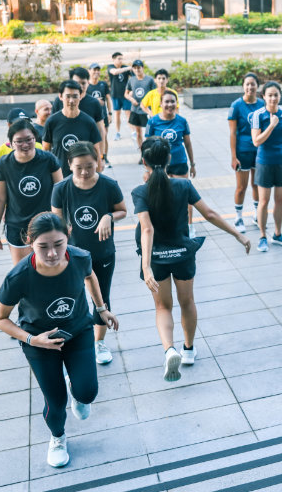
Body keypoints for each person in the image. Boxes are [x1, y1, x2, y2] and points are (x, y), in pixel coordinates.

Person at [0, 212, 119, 468]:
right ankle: (58, 438)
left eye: (58, 245)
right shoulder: (19, 276)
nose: (52, 253)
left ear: (68, 236)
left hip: (78, 331)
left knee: (87, 392)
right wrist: (32, 339)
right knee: (56, 402)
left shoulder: (80, 257)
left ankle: (76, 388)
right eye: (43, 247)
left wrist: (102, 308)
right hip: (40, 342)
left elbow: (90, 276)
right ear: (29, 241)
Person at [133, 137, 250, 381]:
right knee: (187, 302)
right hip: (183, 255)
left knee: (163, 307)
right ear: (169, 159)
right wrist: (238, 234)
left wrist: (146, 267)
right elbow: (209, 214)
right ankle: (188, 350)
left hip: (157, 259)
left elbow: (147, 230)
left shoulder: (140, 192)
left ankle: (169, 350)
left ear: (143, 161)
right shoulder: (183, 186)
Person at [51, 141, 127, 365]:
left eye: (90, 166)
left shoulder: (108, 185)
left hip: (102, 253)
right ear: (69, 165)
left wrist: (108, 217)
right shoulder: (61, 189)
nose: (84, 172)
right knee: (71, 298)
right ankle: (73, 340)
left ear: (98, 163)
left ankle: (99, 342)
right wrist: (63, 231)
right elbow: (56, 220)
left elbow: (122, 210)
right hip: (71, 255)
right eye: (78, 167)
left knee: (101, 298)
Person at [0, 118, 63, 264]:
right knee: (25, 272)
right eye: (19, 141)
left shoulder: (49, 160)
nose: (25, 145)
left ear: (35, 138)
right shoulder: (3, 165)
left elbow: (61, 192)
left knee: (50, 269)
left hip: (48, 224)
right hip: (17, 226)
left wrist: (63, 223)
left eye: (29, 139)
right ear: (11, 143)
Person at [250, 81, 282, 252]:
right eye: (269, 95)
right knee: (263, 201)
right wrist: (271, 125)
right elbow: (256, 141)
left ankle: (278, 234)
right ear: (263, 97)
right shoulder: (258, 115)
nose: (273, 98)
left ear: (280, 96)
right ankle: (263, 236)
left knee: (279, 200)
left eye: (276, 95)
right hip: (264, 163)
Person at [146, 90, 197, 231]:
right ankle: (166, 226)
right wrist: (148, 169)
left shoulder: (182, 121)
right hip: (160, 166)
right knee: (162, 196)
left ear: (176, 103)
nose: (169, 104)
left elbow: (188, 143)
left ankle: (189, 226)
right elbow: (147, 147)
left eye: (172, 101)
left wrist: (192, 164)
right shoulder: (153, 122)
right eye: (166, 101)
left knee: (185, 195)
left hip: (180, 163)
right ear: (161, 104)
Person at [227, 72, 265, 233]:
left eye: (253, 84)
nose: (250, 87)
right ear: (243, 86)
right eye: (247, 84)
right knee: (241, 187)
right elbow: (232, 133)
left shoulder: (262, 104)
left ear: (257, 86)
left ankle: (257, 215)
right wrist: (234, 156)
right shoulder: (236, 106)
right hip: (243, 152)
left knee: (256, 184)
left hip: (259, 151)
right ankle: (238, 217)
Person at [43, 81, 104, 173]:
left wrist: (98, 177)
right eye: (68, 96)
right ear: (60, 97)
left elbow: (96, 151)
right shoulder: (52, 122)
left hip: (84, 176)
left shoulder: (89, 122)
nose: (71, 101)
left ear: (80, 96)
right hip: (60, 177)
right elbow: (46, 150)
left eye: (75, 96)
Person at [51, 68, 108, 151]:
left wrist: (102, 156)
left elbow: (101, 130)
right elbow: (52, 126)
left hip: (87, 151)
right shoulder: (60, 100)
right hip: (64, 148)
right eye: (77, 82)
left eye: (83, 83)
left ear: (88, 83)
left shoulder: (94, 103)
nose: (80, 86)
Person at [125, 60, 157, 154]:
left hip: (146, 111)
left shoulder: (149, 80)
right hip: (135, 110)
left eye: (139, 67)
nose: (137, 70)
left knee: (149, 133)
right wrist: (132, 99)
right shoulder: (131, 80)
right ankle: (142, 153)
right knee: (138, 133)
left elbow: (154, 94)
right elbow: (126, 94)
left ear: (142, 68)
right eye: (134, 68)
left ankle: (150, 152)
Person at [87, 64, 111, 162]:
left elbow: (108, 99)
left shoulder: (103, 84)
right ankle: (93, 156)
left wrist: (110, 113)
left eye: (98, 70)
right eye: (94, 70)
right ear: (89, 71)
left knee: (104, 135)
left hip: (103, 115)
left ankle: (104, 156)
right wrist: (95, 101)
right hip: (91, 116)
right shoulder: (86, 85)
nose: (96, 72)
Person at [108, 52, 133, 139]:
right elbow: (114, 72)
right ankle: (118, 132)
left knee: (128, 113)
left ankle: (133, 132)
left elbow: (133, 78)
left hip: (125, 95)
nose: (121, 61)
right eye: (119, 59)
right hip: (115, 95)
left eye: (122, 59)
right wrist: (128, 68)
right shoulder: (110, 67)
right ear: (114, 59)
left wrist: (131, 91)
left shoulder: (125, 67)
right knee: (117, 114)